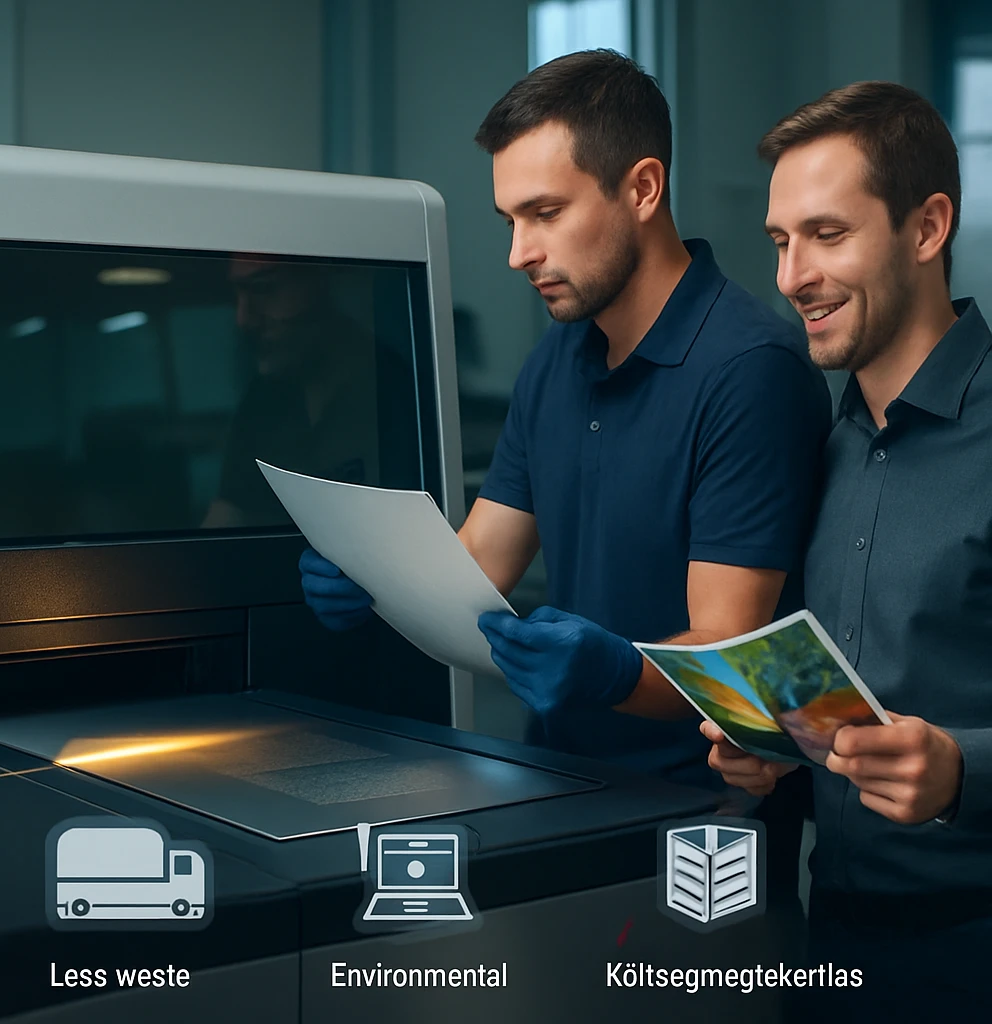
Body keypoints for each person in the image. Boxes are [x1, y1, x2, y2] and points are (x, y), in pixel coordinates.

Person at [300, 49, 833, 787]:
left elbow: (727, 650)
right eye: (510, 220)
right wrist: (376, 582)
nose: (521, 253)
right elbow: (481, 564)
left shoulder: (751, 371)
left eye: (546, 213)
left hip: (701, 808)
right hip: (554, 772)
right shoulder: (556, 360)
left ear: (643, 188)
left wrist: (615, 672)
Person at [702, 81, 991, 1014]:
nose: (791, 277)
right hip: (831, 941)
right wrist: (773, 752)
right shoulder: (816, 448)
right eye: (781, 243)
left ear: (927, 227)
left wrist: (961, 770)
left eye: (827, 235)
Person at [203, 257, 380, 528]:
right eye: (237, 294)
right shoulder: (265, 399)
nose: (244, 319)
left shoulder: (393, 391)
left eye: (264, 289)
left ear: (324, 281)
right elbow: (227, 513)